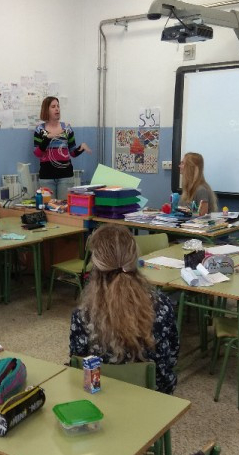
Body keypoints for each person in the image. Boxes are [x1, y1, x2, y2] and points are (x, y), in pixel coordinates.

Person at [69, 225, 178, 394]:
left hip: (101, 394)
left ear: (96, 265)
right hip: (154, 396)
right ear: (134, 259)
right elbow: (172, 355)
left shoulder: (83, 314)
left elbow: (77, 362)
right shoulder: (162, 305)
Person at [33, 96, 91, 201]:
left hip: (65, 176)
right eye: (53, 107)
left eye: (58, 106)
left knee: (64, 207)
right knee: (48, 207)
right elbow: (37, 153)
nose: (57, 109)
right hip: (46, 177)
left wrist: (81, 148)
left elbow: (72, 153)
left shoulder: (67, 128)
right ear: (46, 110)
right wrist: (47, 139)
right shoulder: (40, 129)